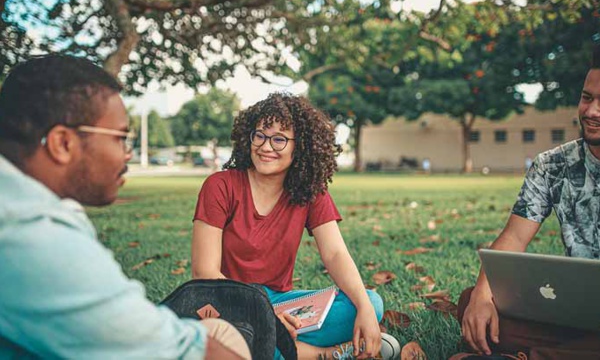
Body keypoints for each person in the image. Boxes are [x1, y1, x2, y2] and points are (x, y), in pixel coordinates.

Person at [0, 55, 250, 360]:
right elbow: (189, 352)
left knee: (219, 331)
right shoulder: (33, 235)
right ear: (63, 143)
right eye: (120, 138)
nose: (128, 154)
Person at [191, 93, 400, 359]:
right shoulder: (220, 186)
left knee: (370, 301)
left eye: (279, 139)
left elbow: (335, 253)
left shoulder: (310, 192)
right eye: (260, 135)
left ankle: (273, 347)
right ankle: (324, 355)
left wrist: (365, 311)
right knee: (228, 337)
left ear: (299, 146)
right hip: (227, 303)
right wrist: (265, 316)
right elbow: (204, 272)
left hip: (280, 304)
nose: (266, 146)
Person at [457, 45, 600, 359]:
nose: (591, 112)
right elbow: (514, 237)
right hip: (578, 312)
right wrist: (483, 295)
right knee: (473, 306)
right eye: (587, 97)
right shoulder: (552, 165)